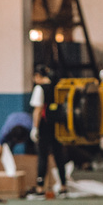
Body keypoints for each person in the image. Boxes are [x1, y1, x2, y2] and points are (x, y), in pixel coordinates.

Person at [29, 65, 68, 196]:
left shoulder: (39, 89)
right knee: (59, 155)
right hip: (57, 126)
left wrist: (35, 128)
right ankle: (63, 185)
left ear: (37, 76)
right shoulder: (57, 87)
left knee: (43, 156)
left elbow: (38, 110)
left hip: (44, 127)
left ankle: (40, 187)